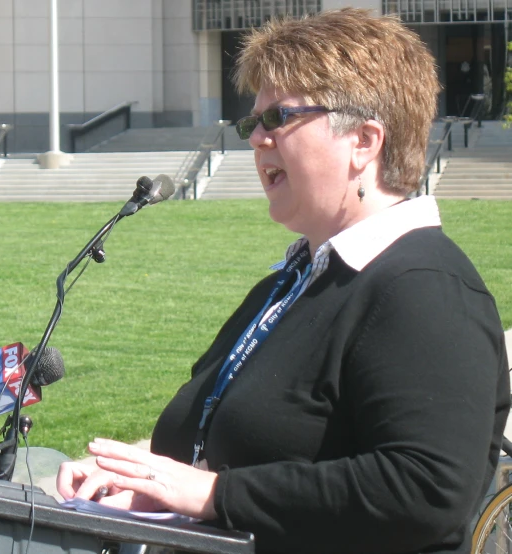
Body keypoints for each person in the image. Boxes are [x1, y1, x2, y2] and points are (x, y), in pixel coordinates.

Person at [56, 8, 510, 554]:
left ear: (364, 141)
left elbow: (428, 490)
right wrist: (136, 474)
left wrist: (214, 494)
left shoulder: (425, 287)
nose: (257, 140)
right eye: (254, 122)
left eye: (279, 119)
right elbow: (231, 433)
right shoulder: (297, 280)